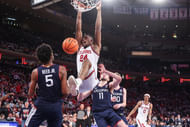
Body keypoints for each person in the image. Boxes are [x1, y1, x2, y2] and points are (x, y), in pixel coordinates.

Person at [25, 43, 69, 127]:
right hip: (56, 106)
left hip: (41, 105)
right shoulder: (61, 69)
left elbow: (30, 93)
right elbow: (65, 92)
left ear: (39, 58)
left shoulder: (35, 72)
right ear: (51, 55)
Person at [68, 2, 102, 99]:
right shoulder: (79, 48)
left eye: (86, 38)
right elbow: (78, 29)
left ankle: (77, 84)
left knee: (87, 61)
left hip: (92, 81)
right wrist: (79, 11)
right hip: (81, 83)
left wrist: (99, 11)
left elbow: (98, 29)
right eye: (83, 38)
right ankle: (76, 91)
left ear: (92, 41)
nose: (83, 39)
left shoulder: (95, 48)